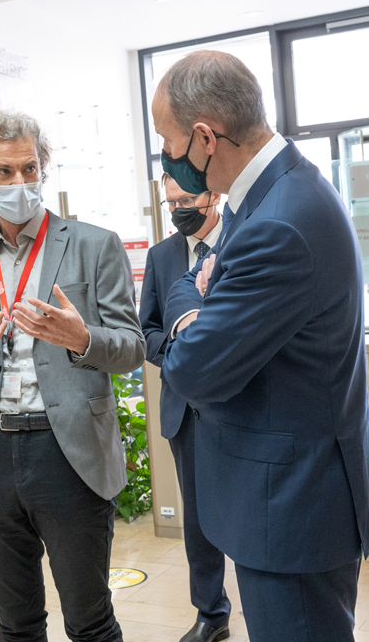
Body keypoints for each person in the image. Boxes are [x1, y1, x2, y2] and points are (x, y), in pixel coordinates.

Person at [153, 51, 369, 641]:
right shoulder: (269, 195)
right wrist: (200, 307)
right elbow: (190, 281)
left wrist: (188, 319)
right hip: (285, 501)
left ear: (205, 138)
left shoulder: (278, 221)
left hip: (292, 510)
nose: (167, 158)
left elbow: (192, 370)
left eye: (168, 141)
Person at [0, 110, 145, 642]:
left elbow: (132, 348)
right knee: (15, 624)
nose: (20, 182)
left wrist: (82, 338)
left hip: (68, 453)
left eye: (29, 168)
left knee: (90, 621)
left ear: (43, 168)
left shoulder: (94, 244)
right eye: (4, 171)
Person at [139, 173, 229, 642]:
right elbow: (147, 330)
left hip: (239, 404)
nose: (179, 210)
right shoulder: (161, 256)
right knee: (196, 519)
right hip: (185, 410)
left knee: (248, 512)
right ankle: (211, 613)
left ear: (214, 195)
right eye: (171, 202)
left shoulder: (243, 239)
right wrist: (183, 348)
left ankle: (265, 603)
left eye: (187, 199)